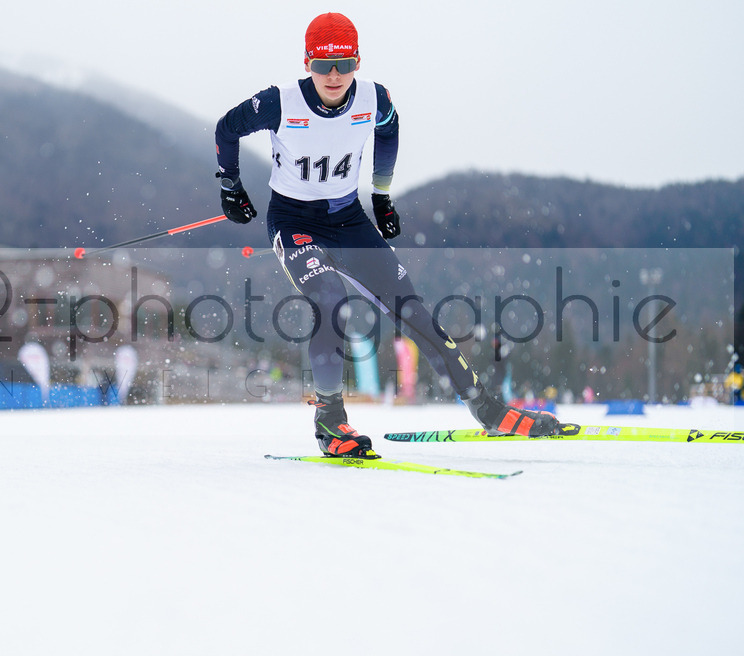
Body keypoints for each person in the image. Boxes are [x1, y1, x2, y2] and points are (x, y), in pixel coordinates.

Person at [214, 12, 559, 457]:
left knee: (412, 312)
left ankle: (489, 410)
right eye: (322, 65)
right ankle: (330, 421)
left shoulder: (375, 98)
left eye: (343, 63)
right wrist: (230, 185)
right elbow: (227, 127)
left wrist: (381, 197)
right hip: (294, 222)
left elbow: (389, 130)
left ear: (358, 61)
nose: (333, 75)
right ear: (307, 64)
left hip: (348, 220)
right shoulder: (279, 102)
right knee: (329, 300)